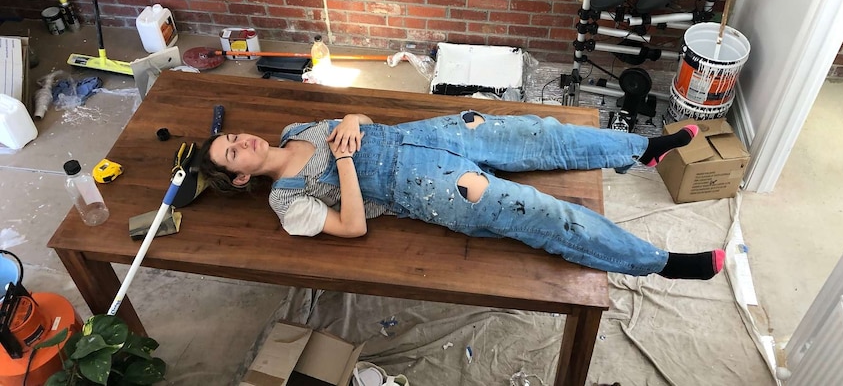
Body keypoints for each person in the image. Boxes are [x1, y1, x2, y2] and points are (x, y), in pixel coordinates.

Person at [199, 111, 724, 280]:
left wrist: (354, 121)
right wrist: (341, 160)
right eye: (232, 154)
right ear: (240, 177)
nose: (242, 142)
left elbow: (355, 119)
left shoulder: (294, 130)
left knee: (538, 134)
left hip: (430, 133)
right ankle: (660, 263)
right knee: (539, 214)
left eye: (232, 137)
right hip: (428, 188)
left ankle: (641, 148)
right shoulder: (287, 205)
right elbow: (354, 225)